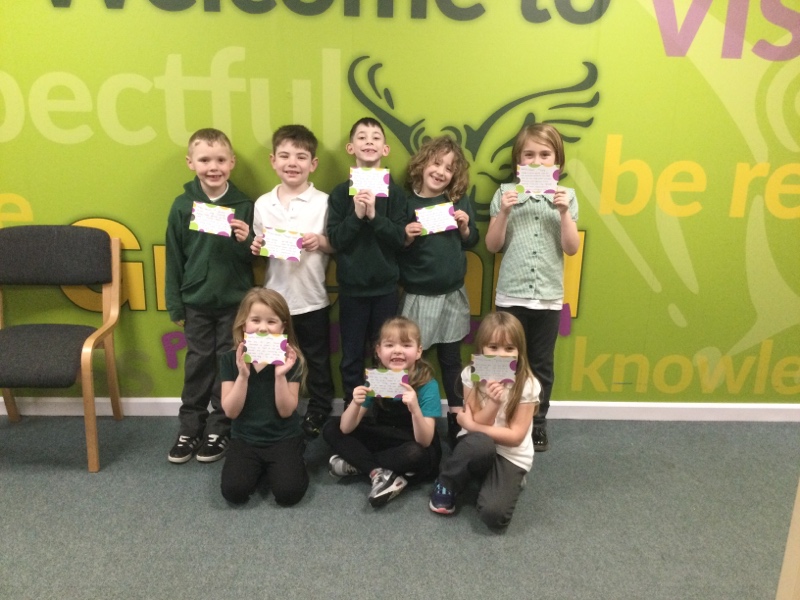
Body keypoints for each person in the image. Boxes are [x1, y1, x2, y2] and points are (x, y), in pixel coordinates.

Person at [231, 124, 335, 440]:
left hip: (312, 298)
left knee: (317, 360)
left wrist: (321, 242)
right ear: (273, 160)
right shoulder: (263, 204)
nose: (292, 163)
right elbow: (259, 248)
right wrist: (254, 246)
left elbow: (338, 244)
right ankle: (271, 407)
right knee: (269, 357)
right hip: (273, 303)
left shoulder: (325, 202)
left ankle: (319, 408)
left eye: (301, 157)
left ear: (313, 164)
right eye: (285, 156)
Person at [484, 123, 580, 452]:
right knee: (500, 359)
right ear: (518, 163)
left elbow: (571, 248)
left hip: (548, 298)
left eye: (545, 155)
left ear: (557, 162)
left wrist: (564, 213)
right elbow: (493, 245)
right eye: (529, 155)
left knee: (541, 365)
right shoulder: (504, 193)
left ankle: (537, 422)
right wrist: (504, 212)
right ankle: (497, 414)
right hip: (511, 295)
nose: (537, 161)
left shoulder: (567, 196)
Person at [165, 128, 255, 464]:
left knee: (228, 364)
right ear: (191, 163)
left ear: (232, 162)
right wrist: (175, 303)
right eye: (204, 160)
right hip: (196, 302)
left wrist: (247, 240)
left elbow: (254, 256)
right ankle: (190, 427)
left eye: (220, 160)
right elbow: (174, 257)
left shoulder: (244, 205)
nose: (213, 167)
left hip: (234, 303)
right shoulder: (182, 206)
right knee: (198, 364)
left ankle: (220, 427)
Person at [399, 136, 479, 448]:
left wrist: (465, 227)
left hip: (451, 294)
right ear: (422, 164)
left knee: (450, 359)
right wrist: (406, 237)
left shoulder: (457, 201)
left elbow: (472, 241)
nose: (441, 171)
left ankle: (456, 418)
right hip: (418, 295)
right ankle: (411, 414)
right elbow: (395, 247)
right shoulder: (407, 204)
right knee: (411, 359)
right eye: (436, 163)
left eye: (449, 168)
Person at [428, 312, 540, 530]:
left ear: (519, 351)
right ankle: (446, 483)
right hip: (478, 443)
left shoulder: (527, 384)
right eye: (493, 347)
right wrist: (493, 404)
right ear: (481, 348)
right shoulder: (472, 374)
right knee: (479, 443)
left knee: (493, 515)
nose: (501, 355)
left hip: (511, 453)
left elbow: (516, 437)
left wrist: (470, 425)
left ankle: (501, 478)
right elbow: (479, 422)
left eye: (509, 348)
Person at [326, 117, 407, 407]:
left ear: (385, 149)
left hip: (385, 290)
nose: (369, 141)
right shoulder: (340, 194)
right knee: (351, 355)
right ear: (351, 148)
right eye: (362, 137)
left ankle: (384, 409)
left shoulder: (396, 193)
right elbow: (335, 240)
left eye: (375, 137)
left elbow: (399, 239)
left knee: (386, 354)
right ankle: (354, 408)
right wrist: (357, 216)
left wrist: (374, 216)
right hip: (352, 291)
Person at [322, 317, 442, 508]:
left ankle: (357, 464)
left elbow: (425, 441)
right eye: (389, 345)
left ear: (419, 351)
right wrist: (355, 403)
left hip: (413, 440)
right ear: (378, 351)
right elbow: (345, 428)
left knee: (415, 454)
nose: (397, 351)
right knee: (331, 428)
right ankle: (376, 471)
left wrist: (415, 409)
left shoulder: (427, 384)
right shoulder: (376, 379)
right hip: (385, 435)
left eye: (406, 345)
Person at [218, 288, 308, 506]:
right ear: (244, 325)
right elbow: (231, 411)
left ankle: (287, 460)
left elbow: (286, 411)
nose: (262, 328)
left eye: (271, 321)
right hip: (245, 438)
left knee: (289, 494)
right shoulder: (230, 359)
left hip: (283, 437)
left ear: (282, 327)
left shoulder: (292, 360)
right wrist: (243, 376)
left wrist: (280, 376)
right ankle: (261, 469)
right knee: (234, 492)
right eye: (255, 320)